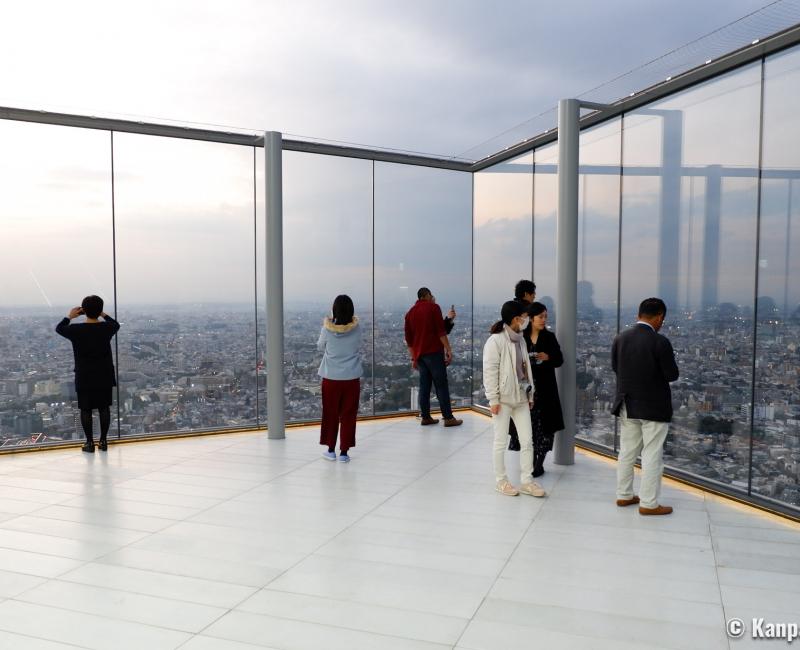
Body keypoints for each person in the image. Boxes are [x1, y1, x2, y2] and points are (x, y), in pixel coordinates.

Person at [611, 297, 679, 516]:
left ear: (639, 314)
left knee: (627, 452)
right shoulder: (660, 342)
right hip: (654, 407)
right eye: (662, 319)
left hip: (627, 402)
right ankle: (649, 503)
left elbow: (616, 367)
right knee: (651, 454)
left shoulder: (620, 338)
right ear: (659, 317)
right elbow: (672, 375)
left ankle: (624, 495)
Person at [483, 301, 546, 497]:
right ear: (515, 319)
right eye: (524, 317)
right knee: (500, 441)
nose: (526, 320)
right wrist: (493, 399)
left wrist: (530, 393)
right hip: (502, 399)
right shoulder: (495, 341)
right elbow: (490, 372)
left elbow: (524, 369)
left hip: (520, 397)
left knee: (528, 441)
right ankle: (501, 481)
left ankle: (527, 481)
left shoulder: (520, 339)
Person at [55, 295, 120, 453]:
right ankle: (103, 442)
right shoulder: (106, 328)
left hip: (85, 375)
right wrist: (102, 314)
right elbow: (115, 324)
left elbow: (59, 328)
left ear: (83, 310)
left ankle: (89, 443)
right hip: (104, 373)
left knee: (86, 409)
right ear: (99, 310)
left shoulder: (76, 330)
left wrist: (70, 316)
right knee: (104, 408)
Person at [404, 287, 463, 427]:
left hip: (420, 356)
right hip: (434, 352)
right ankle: (448, 418)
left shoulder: (410, 313)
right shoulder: (433, 307)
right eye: (431, 295)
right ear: (427, 295)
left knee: (424, 386)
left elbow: (409, 341)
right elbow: (440, 332)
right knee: (441, 385)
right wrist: (449, 349)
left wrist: (413, 358)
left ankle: (425, 417)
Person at [318, 295, 362, 463]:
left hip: (331, 378)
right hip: (351, 378)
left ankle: (330, 450)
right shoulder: (357, 329)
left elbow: (319, 345)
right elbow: (358, 345)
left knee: (331, 413)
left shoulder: (327, 329)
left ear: (334, 309)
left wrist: (329, 322)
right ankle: (344, 452)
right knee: (348, 414)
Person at [527, 302, 564, 477]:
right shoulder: (522, 337)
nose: (543, 320)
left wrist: (547, 357)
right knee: (530, 426)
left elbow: (559, 360)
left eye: (545, 316)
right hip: (527, 389)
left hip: (545, 388)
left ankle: (538, 463)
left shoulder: (549, 337)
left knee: (545, 427)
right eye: (540, 316)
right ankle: (531, 460)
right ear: (531, 318)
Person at [507, 279, 536, 451]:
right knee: (524, 400)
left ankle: (514, 438)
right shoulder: (526, 311)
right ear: (526, 294)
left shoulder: (510, 307)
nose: (533, 297)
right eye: (532, 294)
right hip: (524, 360)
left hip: (512, 360)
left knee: (513, 400)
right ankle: (522, 438)